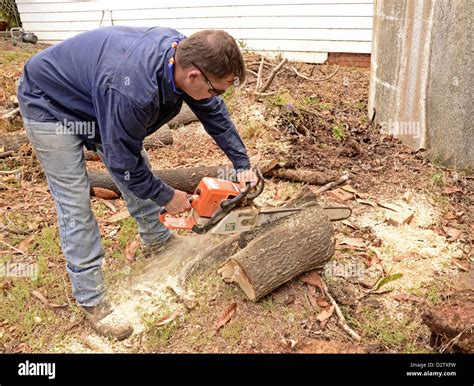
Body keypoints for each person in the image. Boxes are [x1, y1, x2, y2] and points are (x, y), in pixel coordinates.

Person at [17, 26, 257, 340]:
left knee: (136, 163)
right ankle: (92, 300)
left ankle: (157, 240)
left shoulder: (184, 56)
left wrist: (241, 164)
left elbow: (213, 112)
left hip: (101, 100)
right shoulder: (132, 90)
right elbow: (121, 162)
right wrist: (166, 196)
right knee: (75, 202)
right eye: (218, 90)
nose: (217, 97)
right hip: (49, 104)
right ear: (195, 76)